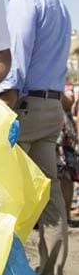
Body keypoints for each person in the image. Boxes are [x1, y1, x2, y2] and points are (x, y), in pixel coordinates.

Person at [0, 0, 72, 275]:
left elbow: (17, 58)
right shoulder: (58, 1)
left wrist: (4, 101)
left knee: (12, 191)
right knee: (50, 193)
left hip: (24, 106)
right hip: (52, 105)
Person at [56, 84, 79, 221]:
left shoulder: (69, 90)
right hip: (59, 132)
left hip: (63, 136)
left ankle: (64, 216)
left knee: (66, 176)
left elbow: (68, 103)